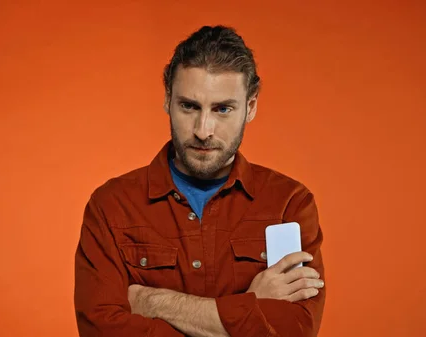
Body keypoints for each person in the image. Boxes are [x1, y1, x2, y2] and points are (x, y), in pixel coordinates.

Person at [74, 25, 326, 337]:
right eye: (189, 106)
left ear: (250, 107)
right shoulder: (111, 206)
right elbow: (102, 331)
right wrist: (251, 305)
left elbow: (294, 330)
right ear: (168, 100)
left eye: (222, 109)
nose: (203, 130)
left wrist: (153, 301)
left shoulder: (290, 203)